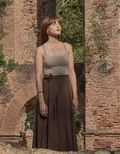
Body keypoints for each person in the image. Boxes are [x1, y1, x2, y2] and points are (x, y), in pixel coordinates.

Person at [32, 16, 78, 151]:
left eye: (59, 24)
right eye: (54, 24)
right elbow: (38, 76)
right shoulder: (40, 50)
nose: (58, 26)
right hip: (48, 88)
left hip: (65, 88)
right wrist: (41, 100)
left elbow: (72, 73)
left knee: (65, 124)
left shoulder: (68, 47)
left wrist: (75, 96)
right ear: (47, 29)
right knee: (46, 124)